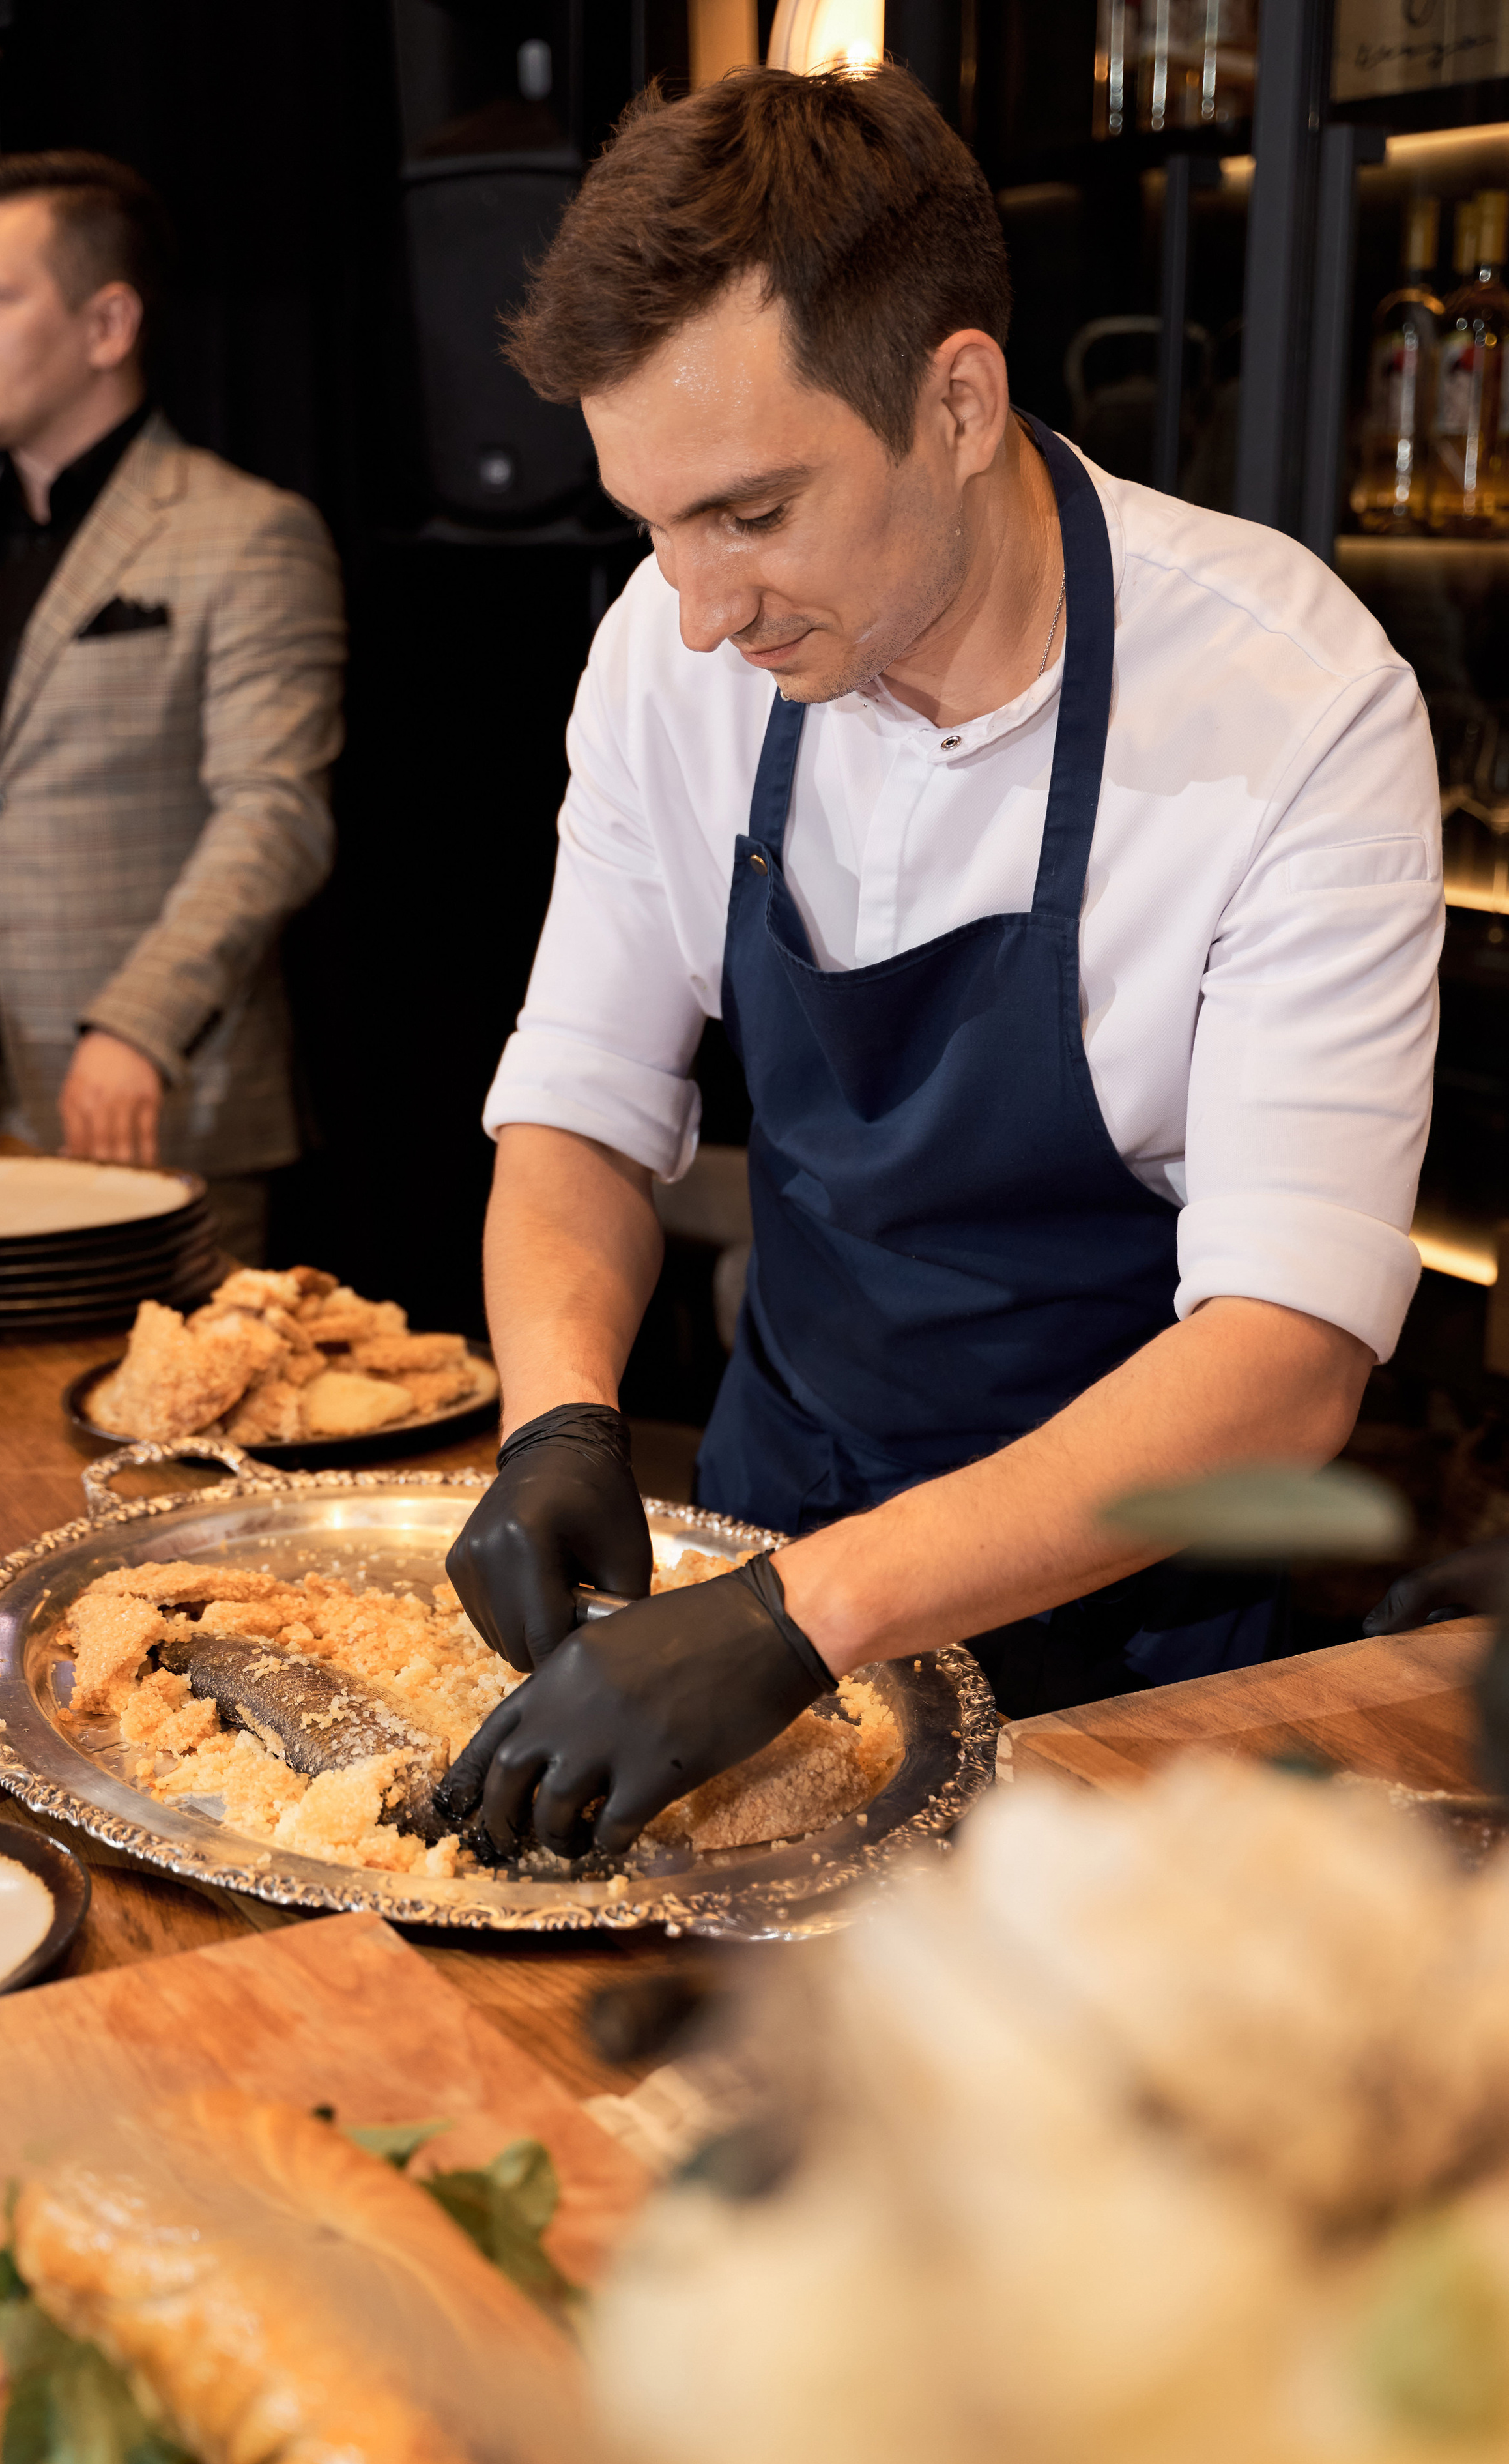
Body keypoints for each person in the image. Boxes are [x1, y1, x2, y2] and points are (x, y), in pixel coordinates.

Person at [439, 66, 1443, 1857]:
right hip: (758, 1536)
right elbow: (582, 1102)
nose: (698, 609)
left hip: (1123, 1647)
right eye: (652, 522)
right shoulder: (674, 651)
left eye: (751, 514)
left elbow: (1284, 1359)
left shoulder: (1295, 707)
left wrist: (801, 1619)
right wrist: (558, 1417)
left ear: (957, 402)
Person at [0, 151, 345, 1258]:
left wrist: (139, 1020)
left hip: (157, 1101)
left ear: (108, 325)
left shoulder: (248, 531)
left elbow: (275, 813)